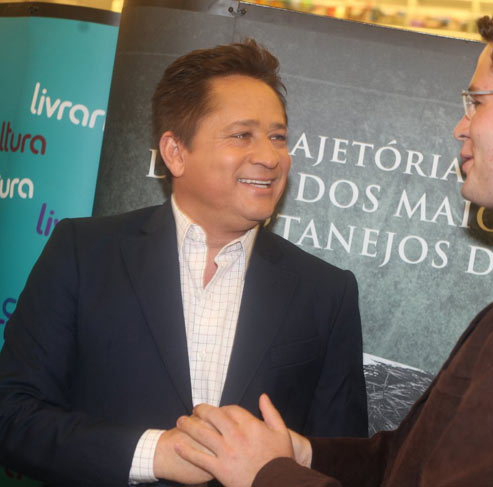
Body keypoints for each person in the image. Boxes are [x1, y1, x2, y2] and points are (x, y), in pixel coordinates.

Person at [171, 1, 493, 486]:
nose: (461, 127)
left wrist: (267, 474)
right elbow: (415, 461)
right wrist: (301, 454)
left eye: (476, 102)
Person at [0, 40, 367, 486]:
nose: (271, 157)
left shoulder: (325, 292)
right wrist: (154, 454)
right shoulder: (84, 253)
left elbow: (343, 460)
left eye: (278, 137)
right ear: (175, 152)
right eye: (242, 135)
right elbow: (12, 414)